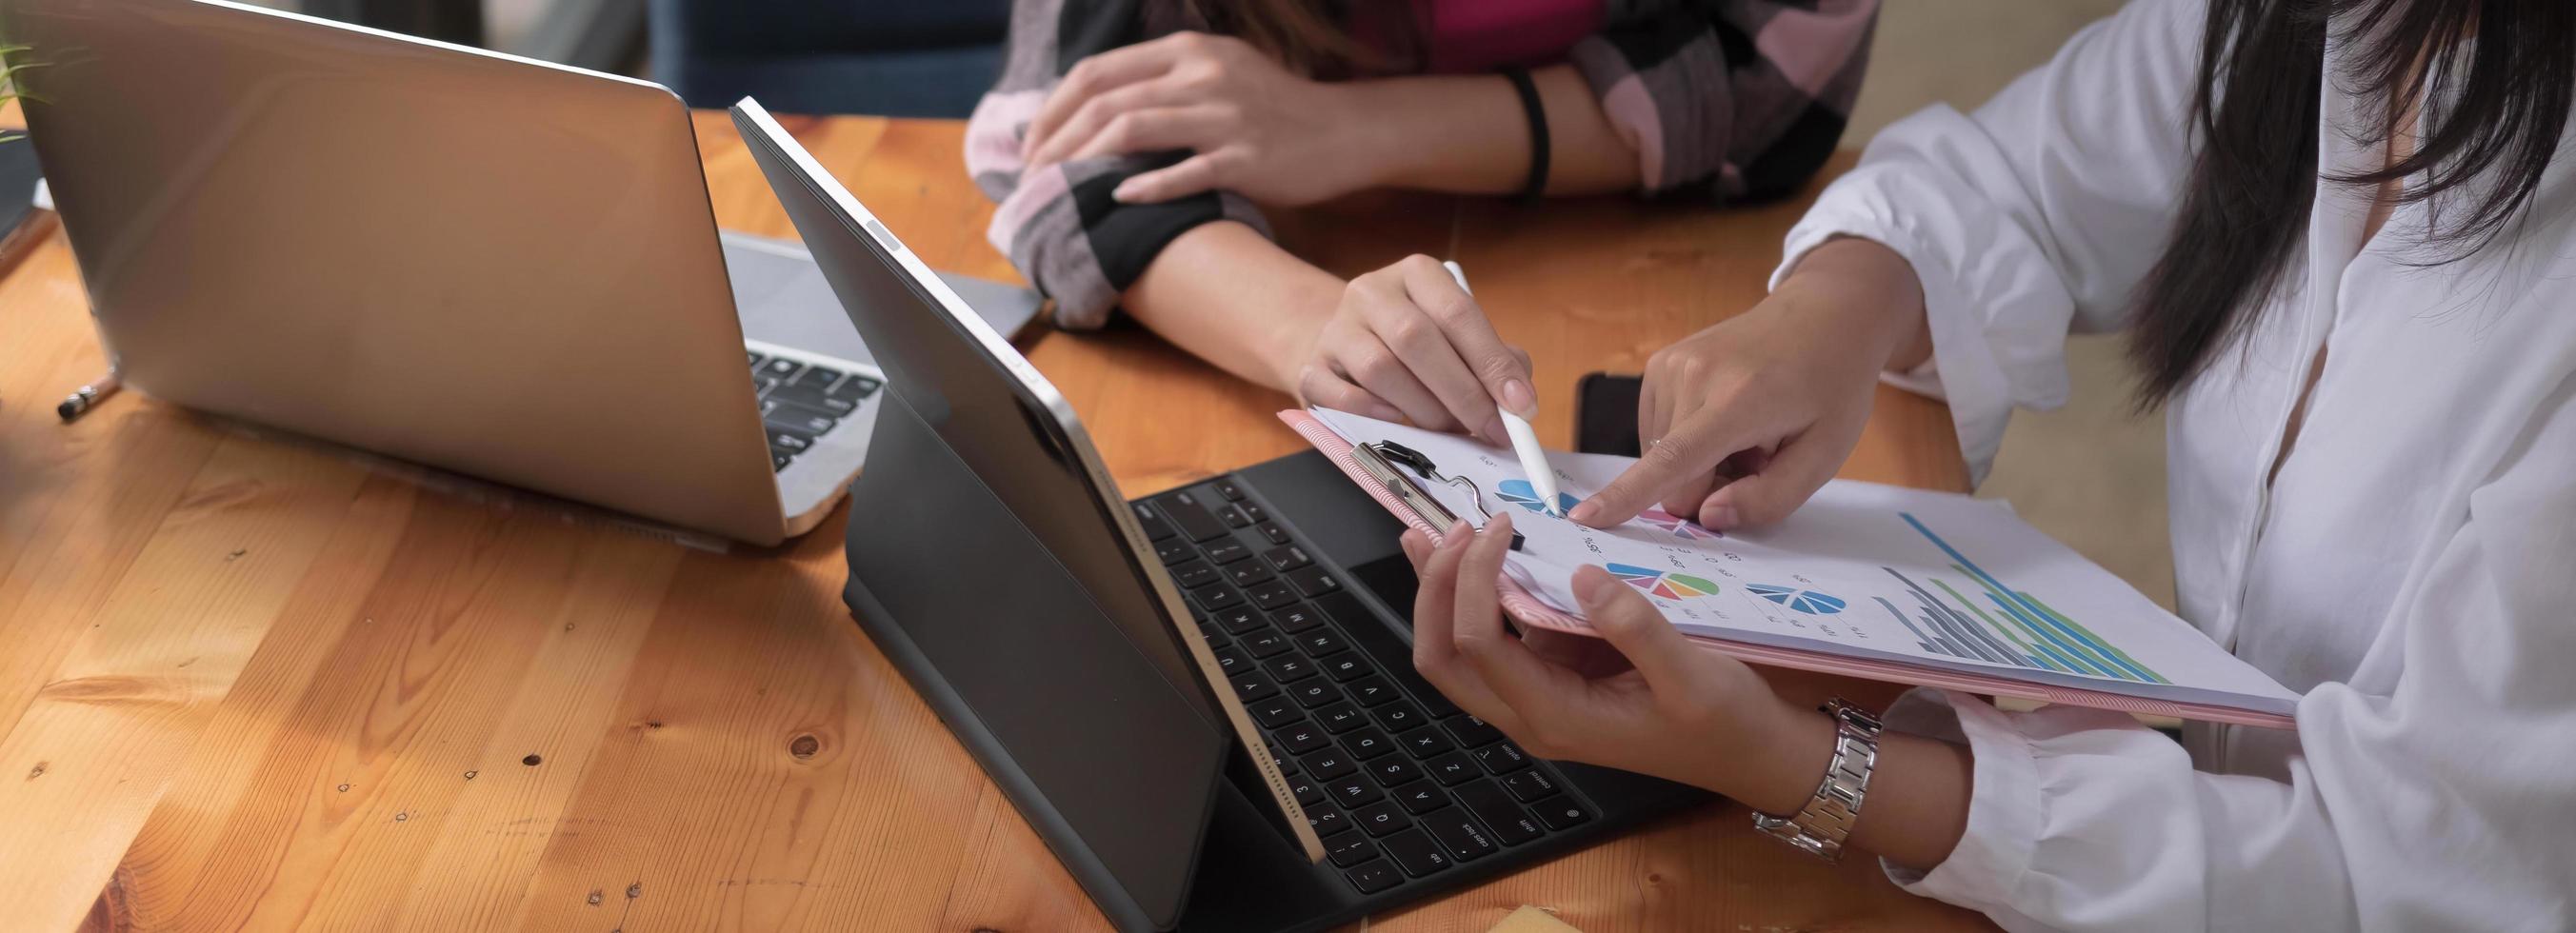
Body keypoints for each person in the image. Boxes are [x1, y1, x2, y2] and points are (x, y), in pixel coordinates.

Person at [1402, 0, 2576, 929]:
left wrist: (1806, 766)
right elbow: (2011, 177)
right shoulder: (2325, 30)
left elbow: (2413, 880)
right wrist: (1839, 303)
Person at [967, 0, 1878, 443]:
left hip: (1674, 249)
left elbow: (1768, 92)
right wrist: (1316, 333)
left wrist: (1354, 130)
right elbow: (1061, 157)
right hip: (1301, 251)